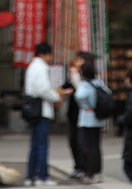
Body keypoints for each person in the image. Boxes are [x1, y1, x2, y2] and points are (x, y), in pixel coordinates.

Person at [23, 41, 70, 187]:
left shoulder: (31, 66)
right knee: (42, 145)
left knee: (34, 145)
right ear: (43, 54)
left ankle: (30, 176)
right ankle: (42, 177)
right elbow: (43, 90)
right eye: (49, 55)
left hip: (32, 109)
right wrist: (57, 96)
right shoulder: (42, 68)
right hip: (41, 110)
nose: (50, 58)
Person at [74, 59, 110, 183]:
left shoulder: (84, 85)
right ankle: (98, 173)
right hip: (98, 119)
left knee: (88, 147)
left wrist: (85, 105)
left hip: (87, 119)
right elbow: (108, 92)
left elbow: (79, 95)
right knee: (96, 146)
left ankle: (90, 173)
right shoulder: (98, 83)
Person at [63, 50, 94, 180]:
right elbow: (66, 87)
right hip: (73, 113)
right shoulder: (74, 74)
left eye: (79, 60)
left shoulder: (87, 77)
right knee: (73, 141)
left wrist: (75, 77)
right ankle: (77, 166)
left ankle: (84, 167)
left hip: (83, 115)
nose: (76, 62)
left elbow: (80, 92)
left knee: (82, 142)